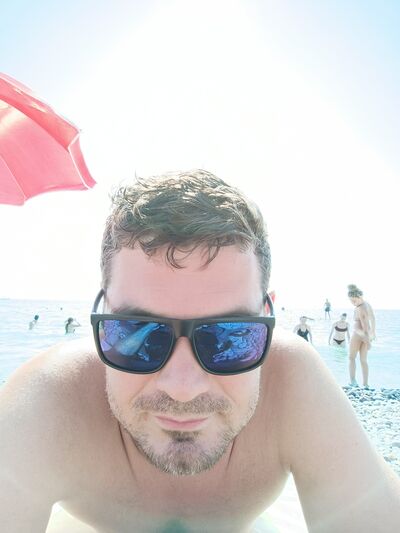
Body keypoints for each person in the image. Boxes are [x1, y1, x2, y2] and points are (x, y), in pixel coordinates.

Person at [1, 170, 399, 532]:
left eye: (229, 336)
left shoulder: (291, 380)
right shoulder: (49, 401)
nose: (182, 388)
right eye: (139, 333)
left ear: (268, 316)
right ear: (103, 313)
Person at [348, 284, 376, 388]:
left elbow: (364, 325)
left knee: (351, 357)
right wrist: (373, 333)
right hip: (366, 334)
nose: (352, 303)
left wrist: (367, 341)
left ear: (359, 297)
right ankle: (366, 384)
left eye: (354, 301)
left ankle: (353, 381)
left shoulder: (360, 308)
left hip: (359, 334)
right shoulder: (367, 304)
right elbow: (372, 318)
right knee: (363, 360)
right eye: (351, 301)